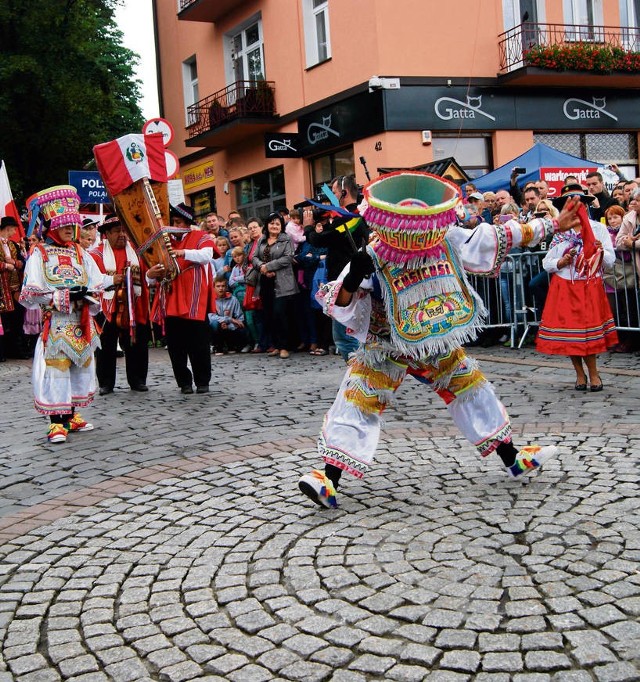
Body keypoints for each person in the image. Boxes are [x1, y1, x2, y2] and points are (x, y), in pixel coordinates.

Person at [298, 171, 582, 508]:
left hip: (435, 341)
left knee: (474, 391)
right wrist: (355, 275)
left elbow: (498, 235)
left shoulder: (447, 239)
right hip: (387, 345)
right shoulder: (373, 255)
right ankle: (328, 479)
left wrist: (553, 225)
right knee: (357, 401)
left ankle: (514, 459)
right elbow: (341, 303)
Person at [19, 185, 104, 443]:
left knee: (80, 367)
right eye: (64, 224)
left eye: (72, 225)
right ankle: (56, 422)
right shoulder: (40, 254)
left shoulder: (80, 253)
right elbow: (31, 292)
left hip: (80, 320)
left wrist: (90, 293)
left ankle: (71, 415)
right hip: (55, 321)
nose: (70, 229)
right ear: (52, 225)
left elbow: (97, 282)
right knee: (57, 370)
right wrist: (63, 296)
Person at [536, 184, 618, 391]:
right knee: (571, 335)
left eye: (580, 203)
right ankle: (579, 374)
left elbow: (610, 260)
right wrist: (561, 262)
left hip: (589, 286)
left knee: (588, 334)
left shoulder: (598, 229)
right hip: (564, 287)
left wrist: (600, 252)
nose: (576, 207)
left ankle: (594, 374)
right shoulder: (561, 233)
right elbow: (547, 262)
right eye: (571, 203)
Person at [147, 202, 217, 394]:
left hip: (195, 299)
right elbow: (150, 269)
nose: (174, 225)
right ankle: (184, 383)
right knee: (176, 345)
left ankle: (203, 381)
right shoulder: (162, 240)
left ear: (187, 224)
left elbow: (207, 255)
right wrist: (150, 274)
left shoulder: (199, 236)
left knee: (199, 343)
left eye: (178, 222)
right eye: (173, 222)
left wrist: (182, 252)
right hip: (170, 297)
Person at [304, 174, 369, 360]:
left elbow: (322, 240)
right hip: (356, 280)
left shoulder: (351, 218)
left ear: (344, 192)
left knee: (344, 338)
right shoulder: (359, 215)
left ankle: (358, 378)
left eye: (334, 193)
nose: (332, 198)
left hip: (347, 282)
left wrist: (308, 228)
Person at [89, 214, 151, 394]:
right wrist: (111, 279)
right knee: (106, 346)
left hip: (134, 305)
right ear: (107, 233)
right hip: (107, 308)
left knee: (136, 343)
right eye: (117, 231)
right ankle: (106, 383)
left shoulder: (137, 251)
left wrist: (151, 275)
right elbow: (92, 279)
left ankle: (138, 380)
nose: (122, 235)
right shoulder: (95, 254)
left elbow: (147, 277)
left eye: (124, 230)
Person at [252, 211, 298, 359]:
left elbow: (288, 258)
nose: (274, 226)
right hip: (265, 281)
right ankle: (276, 345)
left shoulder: (286, 239)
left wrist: (269, 267)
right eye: (272, 223)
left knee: (280, 313)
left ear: (282, 226)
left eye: (278, 224)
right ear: (267, 224)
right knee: (269, 314)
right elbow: (254, 257)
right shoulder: (262, 240)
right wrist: (262, 268)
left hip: (282, 282)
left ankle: (285, 346)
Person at [0, 216, 28, 360]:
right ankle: (2, 352)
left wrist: (14, 263)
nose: (15, 231)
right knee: (3, 321)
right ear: (8, 228)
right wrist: (5, 265)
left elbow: (23, 263)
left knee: (17, 318)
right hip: (1, 289)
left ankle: (16, 350)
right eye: (14, 228)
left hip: (15, 288)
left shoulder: (14, 245)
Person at [208, 275, 247, 354]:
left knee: (242, 327)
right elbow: (211, 317)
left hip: (230, 328)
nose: (221, 288)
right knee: (215, 323)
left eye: (223, 286)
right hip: (216, 328)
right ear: (214, 287)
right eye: (218, 286)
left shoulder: (233, 299)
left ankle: (232, 345)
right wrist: (229, 319)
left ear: (226, 287)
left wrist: (229, 325)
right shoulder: (210, 300)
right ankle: (217, 347)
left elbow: (240, 318)